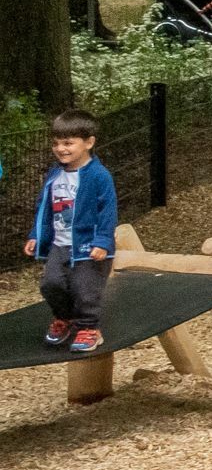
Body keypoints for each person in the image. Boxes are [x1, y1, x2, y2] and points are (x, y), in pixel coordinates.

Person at [25, 108, 116, 355]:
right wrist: (36, 235)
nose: (61, 149)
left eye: (68, 143)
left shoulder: (98, 175)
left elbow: (108, 211)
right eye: (56, 143)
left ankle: (89, 328)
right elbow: (44, 208)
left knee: (85, 289)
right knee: (50, 284)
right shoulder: (55, 174)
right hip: (60, 243)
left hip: (89, 245)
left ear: (89, 142)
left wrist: (103, 241)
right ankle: (64, 318)